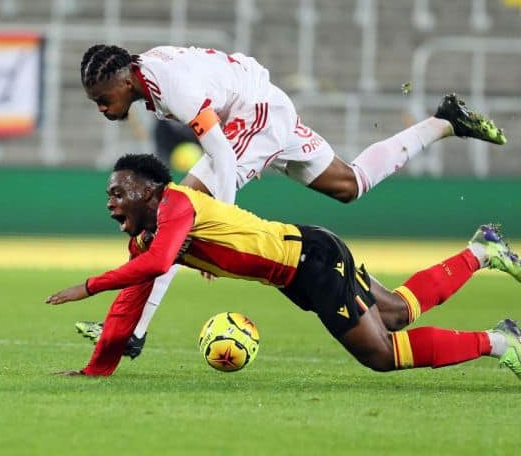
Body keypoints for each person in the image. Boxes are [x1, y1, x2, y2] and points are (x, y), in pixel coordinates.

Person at [76, 44, 507, 358]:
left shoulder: (170, 86)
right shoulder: (147, 72)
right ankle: (442, 123)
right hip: (266, 105)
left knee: (175, 210)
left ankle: (135, 330)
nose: (101, 106)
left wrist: (220, 224)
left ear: (125, 79)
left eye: (102, 97)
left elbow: (222, 152)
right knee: (348, 184)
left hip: (255, 115)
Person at [46, 153, 521, 379]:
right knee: (395, 312)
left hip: (310, 262)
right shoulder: (150, 233)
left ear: (150, 191)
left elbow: (161, 261)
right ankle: (482, 250)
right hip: (303, 259)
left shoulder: (177, 205)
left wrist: (88, 286)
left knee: (381, 353)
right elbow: (134, 298)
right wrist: (98, 369)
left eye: (118, 193)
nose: (110, 204)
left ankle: (503, 344)